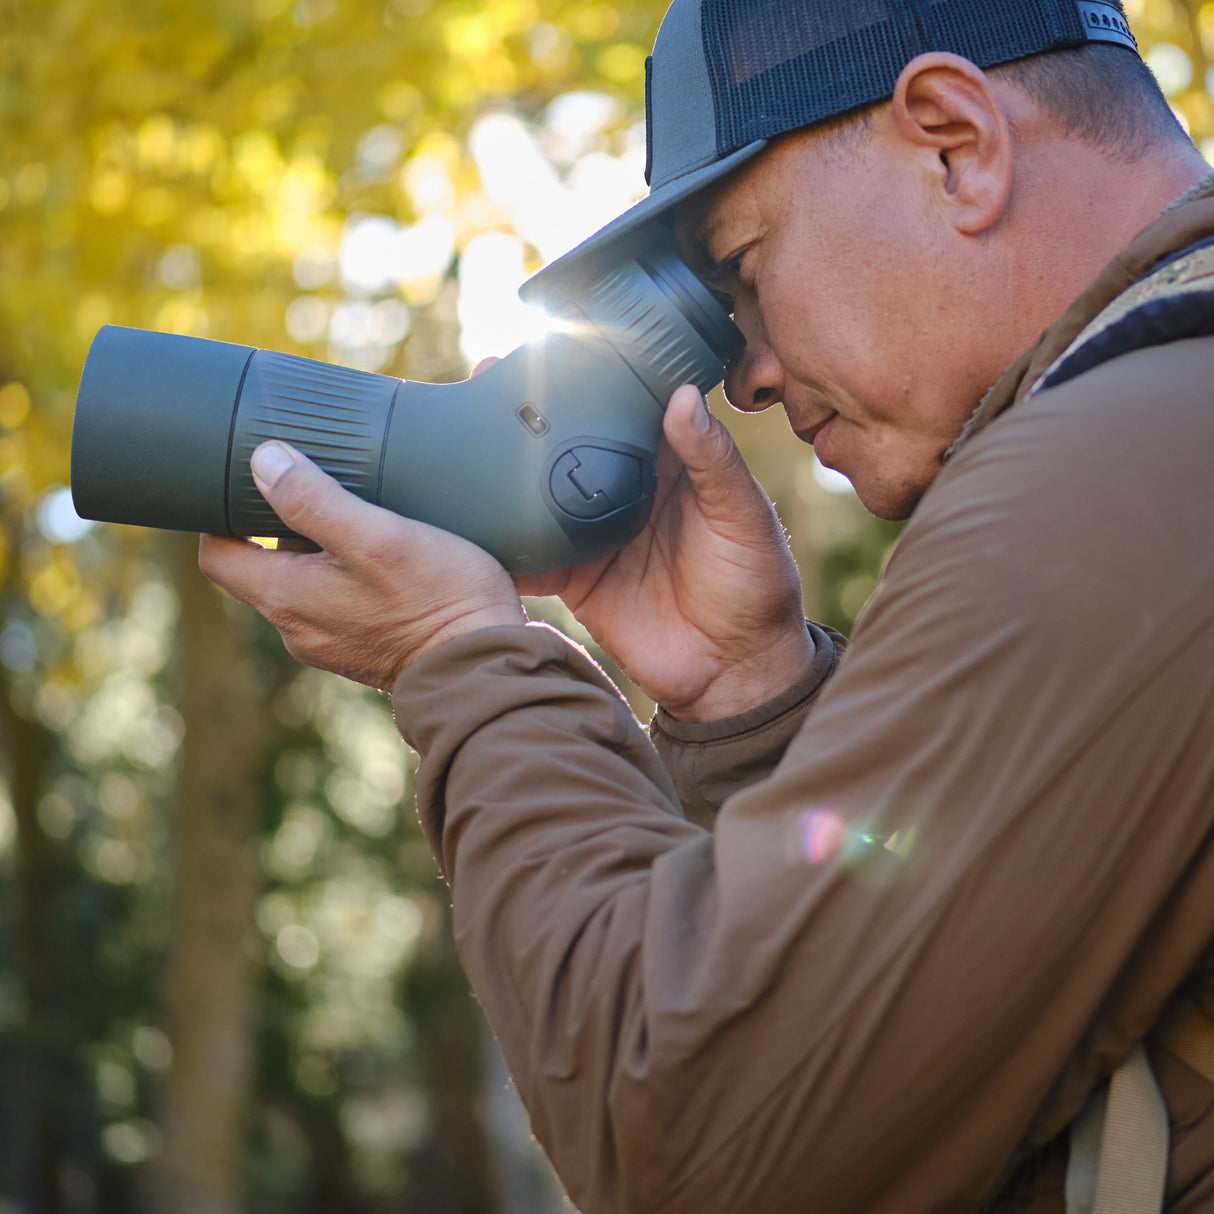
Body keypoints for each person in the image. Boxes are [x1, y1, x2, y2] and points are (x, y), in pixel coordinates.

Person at [200, 0, 1214, 1208]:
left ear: (953, 142)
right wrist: (754, 698)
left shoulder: (1105, 479)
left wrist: (466, 664)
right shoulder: (1163, 436)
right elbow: (947, 1037)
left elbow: (694, 1137)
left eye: (739, 267)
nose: (744, 376)